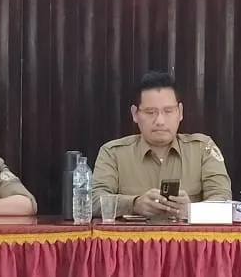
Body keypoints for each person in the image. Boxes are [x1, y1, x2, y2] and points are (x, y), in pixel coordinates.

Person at [91, 71, 232, 220]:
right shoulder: (113, 153)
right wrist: (134, 204)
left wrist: (190, 211)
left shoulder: (203, 149)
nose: (160, 121)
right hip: (134, 236)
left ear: (180, 112)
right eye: (150, 112)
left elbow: (224, 202)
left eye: (168, 111)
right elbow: (92, 201)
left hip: (187, 235)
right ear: (135, 114)